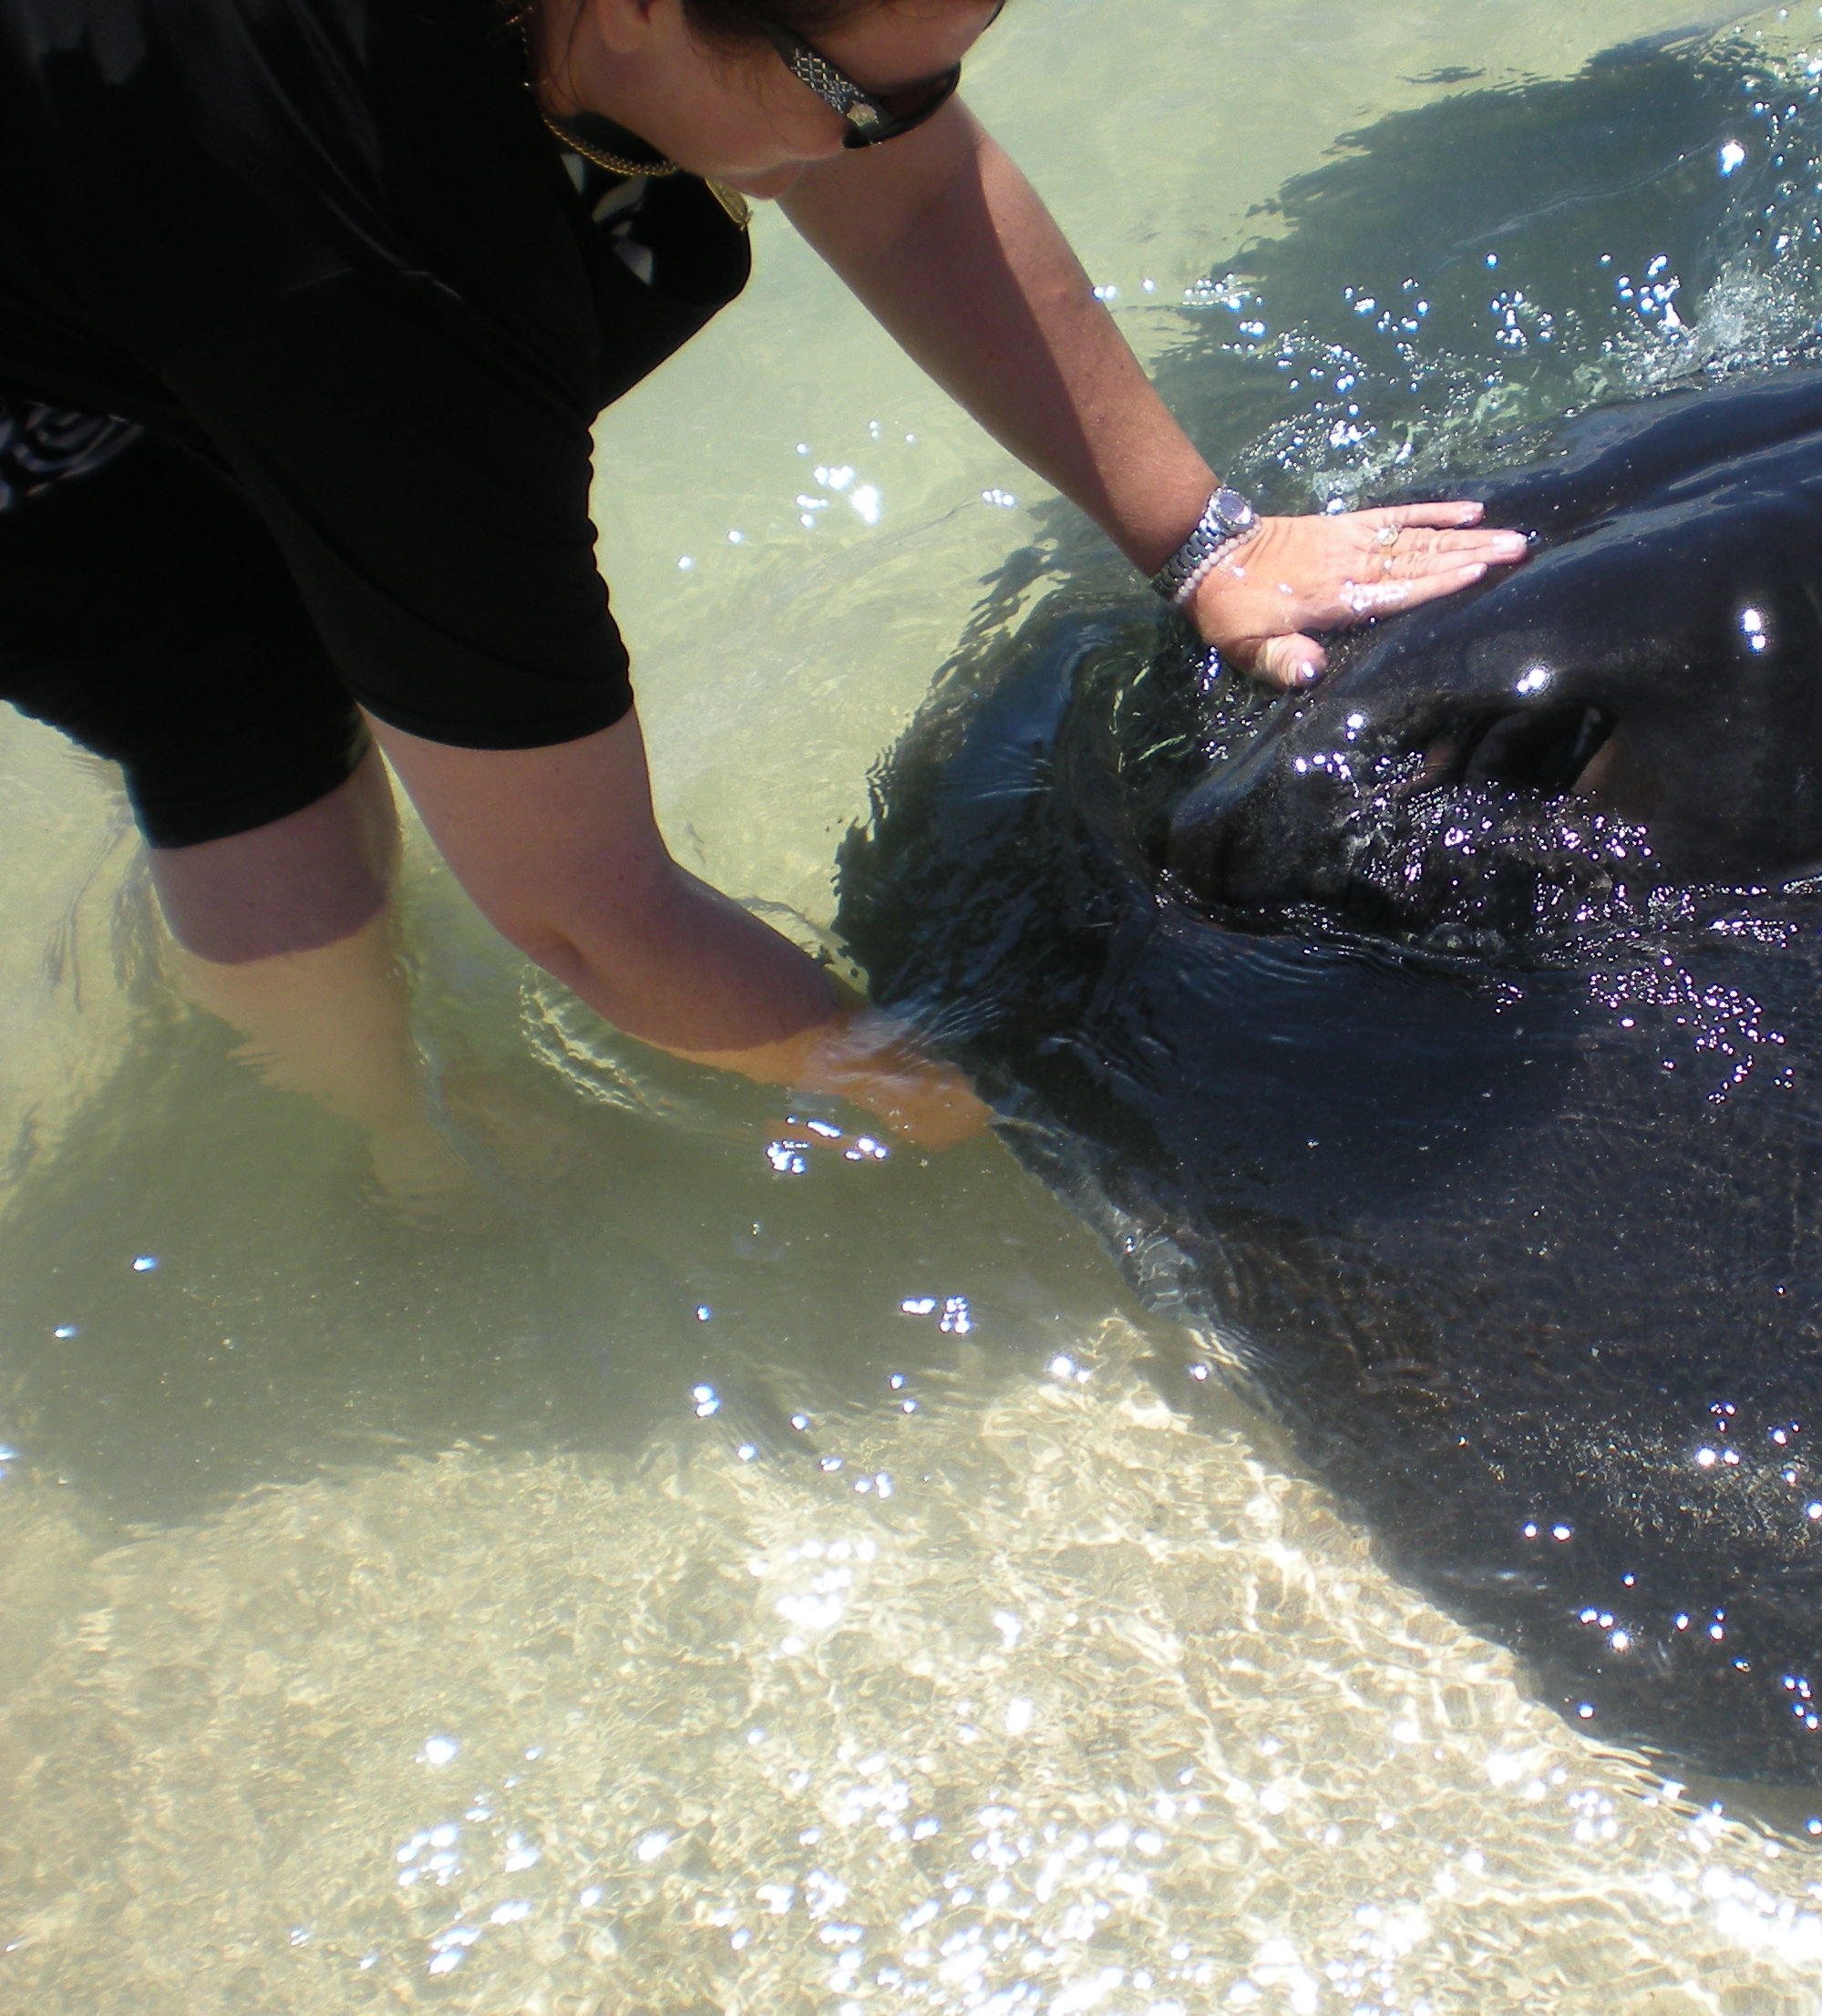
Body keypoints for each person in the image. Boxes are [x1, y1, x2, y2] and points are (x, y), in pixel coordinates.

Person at [0, 0, 1524, 1175]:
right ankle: (389, 1154)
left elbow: (910, 189)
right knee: (230, 685)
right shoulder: (390, 299)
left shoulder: (734, 51)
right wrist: (973, 1115)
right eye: (866, 99)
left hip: (176, 171)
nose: (894, 132)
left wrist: (1209, 541)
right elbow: (589, 915)